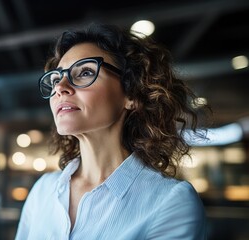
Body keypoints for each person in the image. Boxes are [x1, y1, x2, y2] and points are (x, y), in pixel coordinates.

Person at [15, 24, 209, 239]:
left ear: (131, 95)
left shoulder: (170, 201)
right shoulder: (42, 190)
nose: (60, 87)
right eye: (54, 79)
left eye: (85, 72)